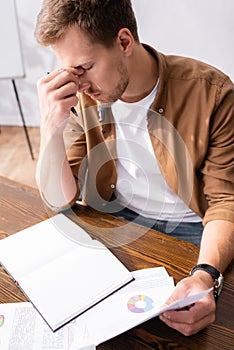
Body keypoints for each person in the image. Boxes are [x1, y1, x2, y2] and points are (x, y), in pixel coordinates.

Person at [35, 0, 234, 336]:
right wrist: (50, 128)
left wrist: (204, 274)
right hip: (116, 218)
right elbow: (60, 200)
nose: (78, 83)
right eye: (69, 72)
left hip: (193, 228)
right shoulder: (83, 96)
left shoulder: (211, 93)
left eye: (84, 66)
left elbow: (225, 202)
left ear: (124, 42)